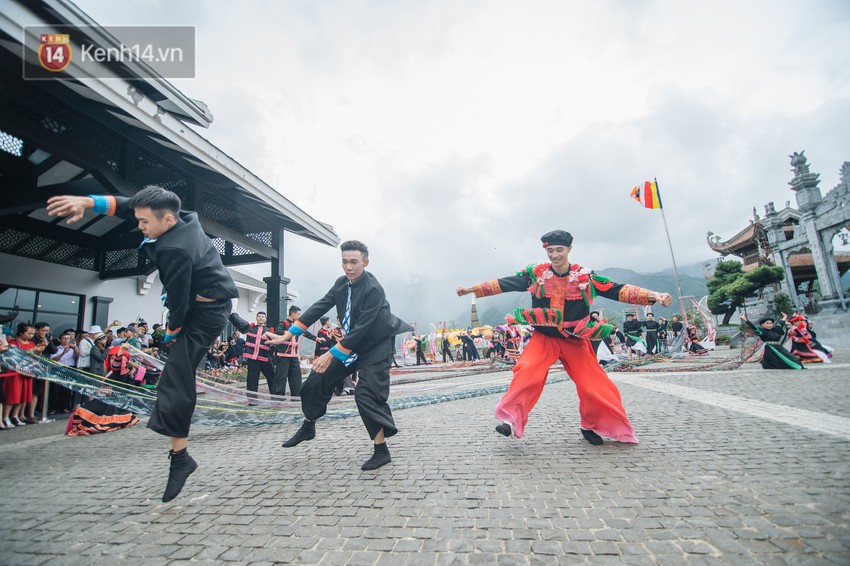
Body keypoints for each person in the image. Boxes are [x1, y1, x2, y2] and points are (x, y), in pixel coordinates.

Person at [47, 185, 238, 503]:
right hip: (203, 300)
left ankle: (181, 459)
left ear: (166, 219)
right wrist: (87, 201)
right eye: (139, 220)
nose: (139, 226)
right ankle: (180, 457)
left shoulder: (175, 249)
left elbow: (178, 303)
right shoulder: (180, 216)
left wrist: (173, 333)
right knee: (174, 379)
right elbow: (128, 206)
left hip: (205, 314)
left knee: (175, 379)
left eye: (145, 222)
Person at [456, 230, 672, 445]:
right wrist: (470, 290)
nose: (555, 255)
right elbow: (504, 284)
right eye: (550, 250)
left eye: (559, 250)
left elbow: (617, 290)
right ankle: (511, 419)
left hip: (575, 340)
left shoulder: (585, 277)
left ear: (569, 249)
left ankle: (591, 424)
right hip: (544, 337)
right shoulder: (537, 275)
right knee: (528, 369)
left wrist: (654, 296)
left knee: (593, 385)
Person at [264, 240, 411, 471]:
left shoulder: (373, 289)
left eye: (354, 262)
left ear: (365, 262)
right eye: (344, 262)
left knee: (365, 394)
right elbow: (319, 307)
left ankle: (381, 451)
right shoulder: (341, 284)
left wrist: (331, 354)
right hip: (352, 344)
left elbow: (362, 328)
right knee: (315, 381)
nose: (348, 267)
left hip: (375, 346)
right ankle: (308, 425)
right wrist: (286, 336)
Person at [229, 311, 278, 398]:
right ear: (256, 318)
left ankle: (275, 397)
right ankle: (252, 399)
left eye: (263, 317)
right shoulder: (250, 328)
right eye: (259, 316)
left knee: (272, 377)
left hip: (265, 358)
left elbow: (273, 344)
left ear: (265, 319)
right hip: (252, 358)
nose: (261, 318)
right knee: (252, 379)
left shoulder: (269, 330)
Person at [272, 306, 317, 397]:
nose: (299, 316)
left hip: (293, 355)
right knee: (281, 376)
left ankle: (296, 395)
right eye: (298, 314)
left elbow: (304, 332)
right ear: (292, 313)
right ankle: (279, 397)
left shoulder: (297, 325)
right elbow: (278, 332)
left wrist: (315, 338)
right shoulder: (283, 323)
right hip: (283, 354)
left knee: (296, 375)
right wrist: (290, 332)